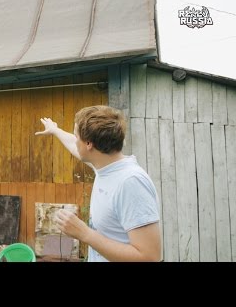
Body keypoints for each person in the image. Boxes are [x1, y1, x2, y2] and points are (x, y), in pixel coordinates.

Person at [35, 105, 161, 262]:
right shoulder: (105, 165)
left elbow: (149, 257)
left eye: (77, 137)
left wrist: (84, 234)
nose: (75, 141)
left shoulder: (130, 183)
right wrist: (55, 130)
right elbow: (75, 147)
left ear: (89, 144)